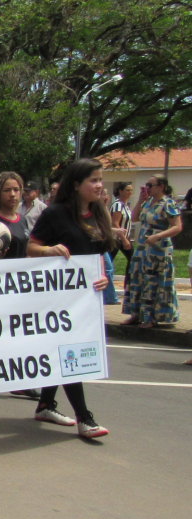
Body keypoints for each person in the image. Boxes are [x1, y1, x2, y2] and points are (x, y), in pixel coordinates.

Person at [26, 158, 114, 437]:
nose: (99, 185)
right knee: (69, 353)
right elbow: (31, 247)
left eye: (100, 179)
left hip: (87, 298)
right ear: (76, 185)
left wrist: (104, 276)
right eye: (93, 180)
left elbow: (100, 255)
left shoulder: (100, 212)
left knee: (62, 351)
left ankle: (44, 404)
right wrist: (48, 250)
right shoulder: (55, 213)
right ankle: (84, 418)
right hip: (58, 299)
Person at [0, 172, 44, 403]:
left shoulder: (24, 220)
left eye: (16, 190)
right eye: (8, 190)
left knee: (20, 337)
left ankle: (19, 382)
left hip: (20, 288)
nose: (13, 194)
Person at [121, 175, 183, 328]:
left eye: (151, 185)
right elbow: (134, 218)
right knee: (138, 279)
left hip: (158, 249)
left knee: (153, 281)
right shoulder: (148, 202)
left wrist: (157, 236)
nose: (147, 187)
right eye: (146, 185)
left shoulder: (168, 203)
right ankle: (136, 313)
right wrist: (141, 200)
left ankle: (152, 316)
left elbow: (177, 226)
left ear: (161, 186)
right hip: (143, 248)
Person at [109, 182, 135, 296]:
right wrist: (124, 239)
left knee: (132, 259)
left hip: (123, 238)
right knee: (108, 262)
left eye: (131, 190)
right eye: (127, 190)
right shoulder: (118, 205)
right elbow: (115, 222)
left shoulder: (126, 205)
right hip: (116, 239)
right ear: (120, 191)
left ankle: (128, 284)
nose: (130, 192)